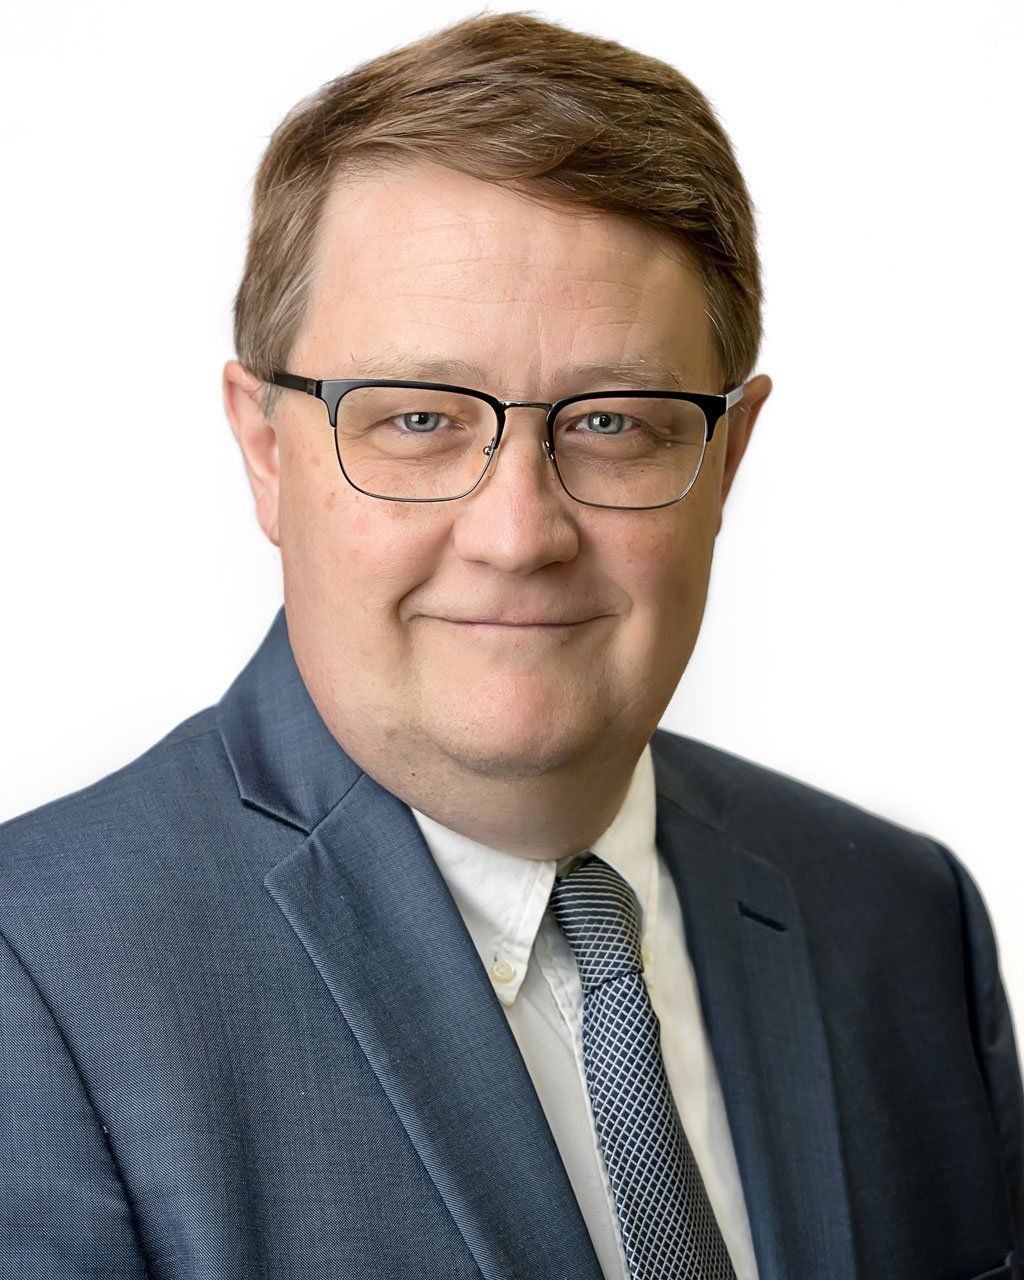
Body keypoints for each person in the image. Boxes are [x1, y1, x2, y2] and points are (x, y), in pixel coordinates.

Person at [1, 11, 1020, 1279]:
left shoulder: (902, 923)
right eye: (419, 417)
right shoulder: (32, 975)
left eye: (612, 421)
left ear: (727, 459)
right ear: (266, 451)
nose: (518, 531)